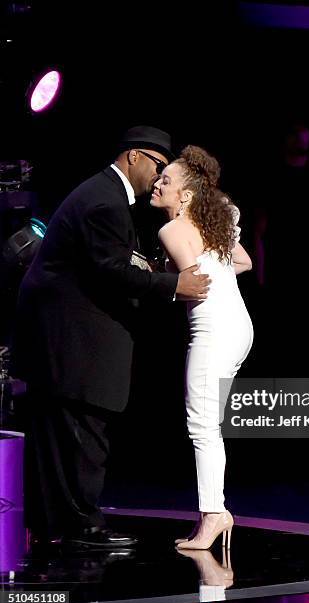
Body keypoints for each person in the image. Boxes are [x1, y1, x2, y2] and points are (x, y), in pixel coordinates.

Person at [13, 126, 210, 548]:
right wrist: (174, 285)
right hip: (72, 340)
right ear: (134, 156)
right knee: (82, 433)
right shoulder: (105, 201)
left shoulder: (102, 194)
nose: (159, 178)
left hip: (58, 338)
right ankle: (81, 526)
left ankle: (57, 527)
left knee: (61, 436)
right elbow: (109, 271)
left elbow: (110, 262)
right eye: (158, 167)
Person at [151, 145, 253, 550]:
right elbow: (242, 263)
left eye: (167, 180)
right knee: (207, 422)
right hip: (237, 325)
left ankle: (214, 514)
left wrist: (158, 274)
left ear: (186, 196)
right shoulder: (211, 225)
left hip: (215, 330)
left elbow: (192, 281)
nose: (158, 182)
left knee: (202, 425)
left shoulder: (171, 230)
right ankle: (213, 512)